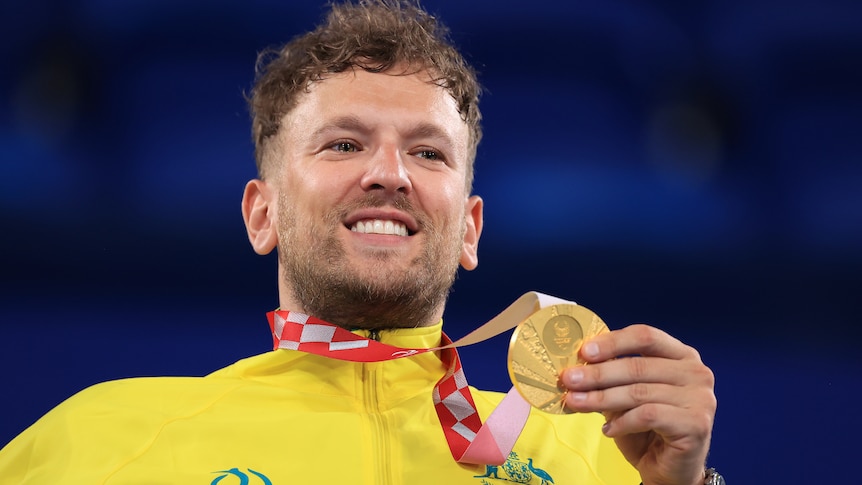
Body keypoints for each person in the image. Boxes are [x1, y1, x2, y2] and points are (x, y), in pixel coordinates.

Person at [0, 1, 719, 484]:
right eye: (344, 143)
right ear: (262, 215)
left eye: (429, 153)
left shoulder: (608, 458)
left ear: (469, 228)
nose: (389, 173)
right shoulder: (97, 446)